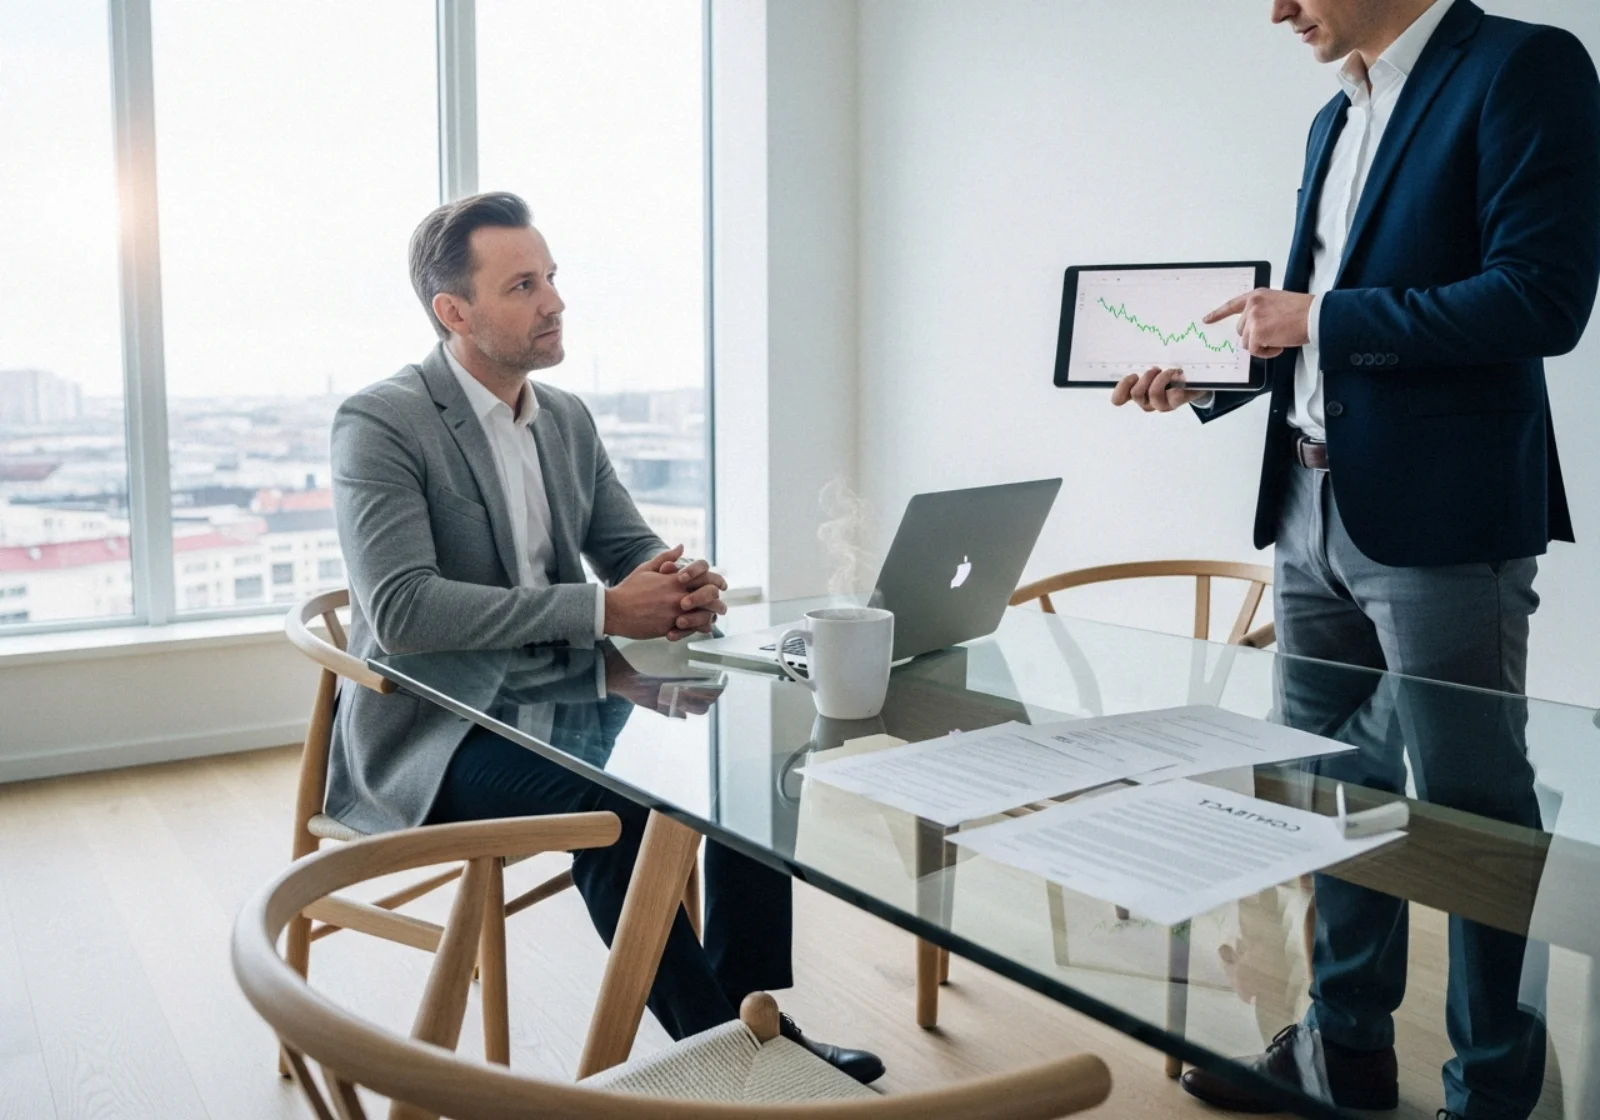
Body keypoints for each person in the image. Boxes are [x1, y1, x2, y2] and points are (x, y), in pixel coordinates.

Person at [1112, 2, 1600, 1117]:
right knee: (1335, 793)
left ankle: (1490, 1089)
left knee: (1474, 810)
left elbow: (1541, 297)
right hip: (1303, 498)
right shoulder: (1336, 114)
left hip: (1442, 516)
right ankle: (1345, 1057)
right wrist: (1213, 377)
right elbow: (1308, 325)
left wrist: (1317, 319)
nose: (1275, 9)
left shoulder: (1525, 66)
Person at [327, 191, 883, 1082]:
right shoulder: (382, 421)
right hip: (441, 725)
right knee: (622, 814)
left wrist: (681, 588)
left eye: (551, 277)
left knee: (744, 761)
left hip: (566, 694)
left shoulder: (568, 419)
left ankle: (753, 1019)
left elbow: (625, 552)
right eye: (522, 285)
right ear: (454, 312)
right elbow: (403, 610)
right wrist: (603, 612)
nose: (553, 301)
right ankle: (730, 1068)